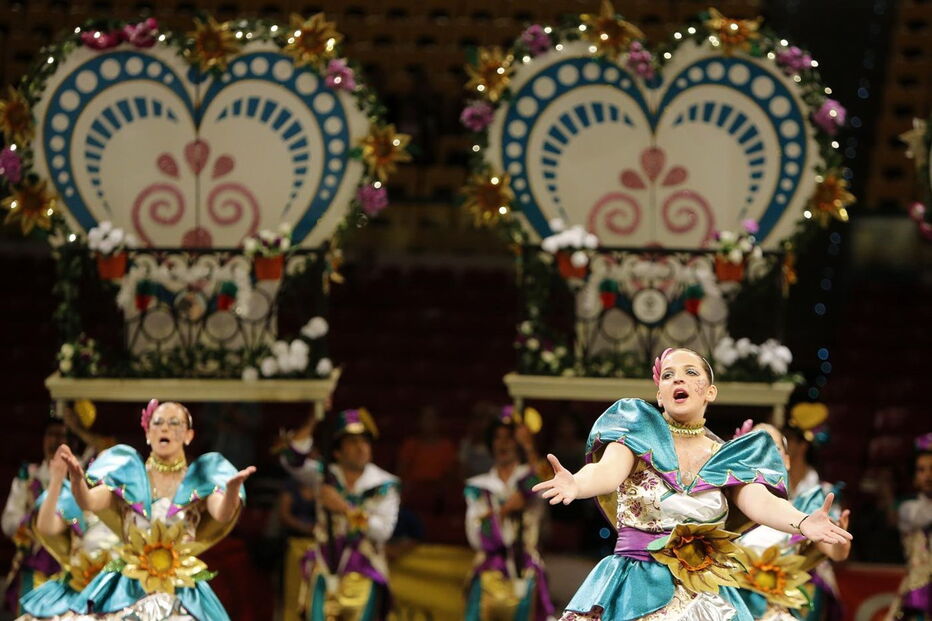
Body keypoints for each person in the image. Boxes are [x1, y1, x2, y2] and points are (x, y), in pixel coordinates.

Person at [532, 348, 852, 621]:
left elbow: (762, 502)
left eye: (690, 372)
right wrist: (576, 484)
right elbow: (606, 472)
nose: (678, 379)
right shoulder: (635, 435)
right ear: (660, 395)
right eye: (668, 375)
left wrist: (803, 521)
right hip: (636, 585)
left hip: (707, 597)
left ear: (710, 392)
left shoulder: (729, 458)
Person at [54, 399, 255, 620]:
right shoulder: (128, 475)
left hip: (180, 590)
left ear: (189, 435)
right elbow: (89, 502)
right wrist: (77, 481)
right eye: (158, 423)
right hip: (129, 587)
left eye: (174, 423)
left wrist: (232, 491)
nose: (165, 428)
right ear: (148, 433)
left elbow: (222, 514)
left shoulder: (200, 479)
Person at [732, 423, 851, 621]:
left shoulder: (804, 510)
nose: (764, 455)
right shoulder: (723, 507)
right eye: (754, 447)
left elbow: (835, 552)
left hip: (776, 610)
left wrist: (840, 542)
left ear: (787, 460)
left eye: (773, 448)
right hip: (731, 606)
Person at [302, 408, 400, 621]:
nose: (361, 447)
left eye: (365, 442)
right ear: (337, 452)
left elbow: (383, 531)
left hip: (363, 566)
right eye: (353, 442)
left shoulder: (384, 484)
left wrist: (345, 509)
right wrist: (313, 419)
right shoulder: (323, 475)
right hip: (325, 565)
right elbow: (291, 460)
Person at [464, 407, 555, 621]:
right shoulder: (478, 486)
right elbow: (475, 535)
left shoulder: (532, 477)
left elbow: (549, 479)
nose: (503, 444)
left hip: (526, 570)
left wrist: (529, 445)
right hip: (489, 571)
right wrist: (503, 511)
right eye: (497, 438)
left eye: (509, 438)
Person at [15, 445, 120, 620]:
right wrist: (56, 481)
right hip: (80, 594)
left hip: (119, 596)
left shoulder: (133, 512)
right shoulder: (79, 509)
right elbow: (46, 528)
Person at [2, 418, 69, 616]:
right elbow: (8, 523)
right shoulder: (28, 478)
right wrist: (30, 523)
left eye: (61, 435)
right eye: (51, 435)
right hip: (33, 567)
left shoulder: (75, 480)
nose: (55, 440)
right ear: (43, 439)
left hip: (67, 569)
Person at [885, 433, 931, 621]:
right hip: (917, 592)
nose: (928, 475)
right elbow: (925, 517)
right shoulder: (909, 509)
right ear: (914, 477)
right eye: (921, 470)